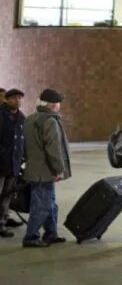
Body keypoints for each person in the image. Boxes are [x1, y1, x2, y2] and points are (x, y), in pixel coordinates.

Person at [22, 89, 70, 248]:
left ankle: (51, 234)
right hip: (45, 171)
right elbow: (53, 148)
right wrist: (58, 169)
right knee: (41, 206)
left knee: (49, 203)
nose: (59, 106)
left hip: (34, 169)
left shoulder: (30, 119)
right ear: (52, 105)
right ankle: (31, 237)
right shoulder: (50, 121)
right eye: (58, 103)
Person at [0, 88, 26, 239]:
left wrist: (23, 158)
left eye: (19, 98)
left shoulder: (22, 118)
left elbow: (22, 141)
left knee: (7, 195)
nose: (17, 100)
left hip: (13, 164)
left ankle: (2, 223)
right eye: (14, 98)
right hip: (1, 163)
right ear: (6, 100)